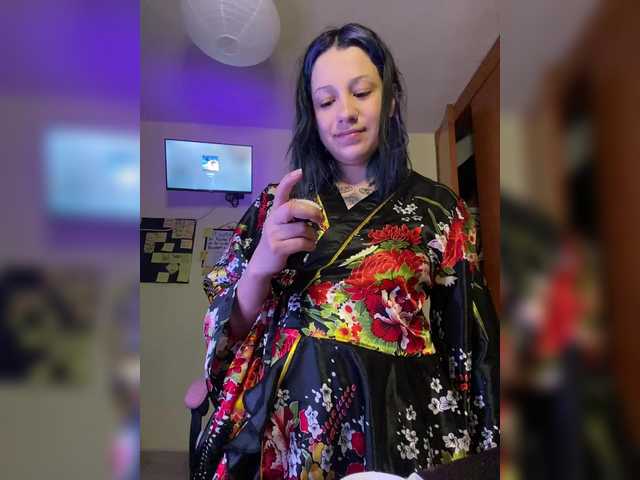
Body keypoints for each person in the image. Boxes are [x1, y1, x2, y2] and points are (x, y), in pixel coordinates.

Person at [193, 23, 499, 480]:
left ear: (390, 101)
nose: (346, 113)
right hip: (294, 423)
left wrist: (485, 453)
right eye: (326, 101)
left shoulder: (440, 209)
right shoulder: (276, 204)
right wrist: (259, 268)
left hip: (401, 417)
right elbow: (230, 331)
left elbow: (470, 344)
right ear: (312, 116)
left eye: (361, 92)